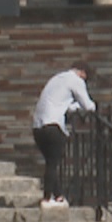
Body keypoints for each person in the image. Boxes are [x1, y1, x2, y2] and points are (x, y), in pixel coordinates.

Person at [31, 62, 94, 210]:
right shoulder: (76, 80)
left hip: (38, 127)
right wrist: (93, 106)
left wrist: (74, 107)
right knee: (53, 163)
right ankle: (46, 198)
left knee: (50, 163)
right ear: (82, 73)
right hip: (53, 126)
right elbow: (88, 105)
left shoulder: (57, 78)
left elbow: (63, 105)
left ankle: (58, 196)